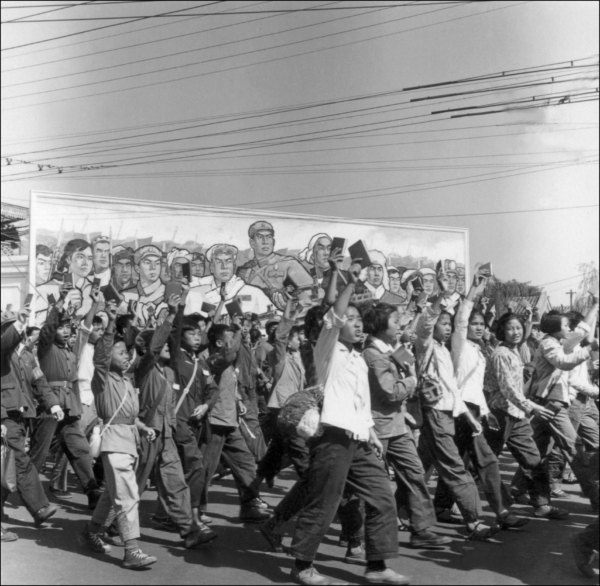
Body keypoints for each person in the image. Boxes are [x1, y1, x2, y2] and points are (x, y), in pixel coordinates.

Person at [289, 261, 409, 586]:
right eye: (351, 320)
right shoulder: (327, 349)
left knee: (383, 496)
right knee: (325, 503)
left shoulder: (356, 356)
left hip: (357, 438)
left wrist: (371, 431)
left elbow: (360, 400)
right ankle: (302, 565)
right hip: (332, 439)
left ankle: (377, 566)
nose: (357, 325)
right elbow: (334, 315)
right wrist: (349, 284)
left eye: (359, 321)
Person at [436, 274, 529, 530]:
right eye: (473, 324)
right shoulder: (459, 345)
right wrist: (471, 295)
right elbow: (462, 320)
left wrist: (486, 412)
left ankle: (441, 505)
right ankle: (500, 512)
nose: (478, 327)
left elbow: (476, 387)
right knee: (485, 461)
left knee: (461, 462)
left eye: (481, 324)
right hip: (458, 411)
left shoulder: (480, 350)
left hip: (475, 410)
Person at [362, 302, 452, 550]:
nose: (400, 323)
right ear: (381, 326)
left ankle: (420, 529)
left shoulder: (395, 348)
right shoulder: (372, 354)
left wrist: (414, 375)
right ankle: (353, 534)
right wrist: (412, 380)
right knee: (364, 486)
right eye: (394, 320)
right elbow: (390, 391)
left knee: (414, 473)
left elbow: (415, 370)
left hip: (399, 425)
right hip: (378, 428)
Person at [414, 287, 498, 540]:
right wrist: (440, 301)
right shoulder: (425, 347)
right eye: (443, 323)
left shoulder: (444, 351)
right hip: (434, 414)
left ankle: (401, 513)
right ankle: (474, 521)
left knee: (415, 470)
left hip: (447, 416)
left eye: (450, 323)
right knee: (456, 469)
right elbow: (425, 326)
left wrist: (471, 417)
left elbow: (452, 389)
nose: (448, 327)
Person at [133, 293, 217, 549]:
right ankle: (101, 525)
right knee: (133, 485)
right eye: (164, 345)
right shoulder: (146, 367)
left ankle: (189, 530)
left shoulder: (168, 371)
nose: (170, 346)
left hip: (166, 434)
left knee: (176, 482)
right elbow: (156, 346)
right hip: (147, 434)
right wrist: (171, 314)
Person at [80, 301, 158, 570]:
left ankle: (91, 531)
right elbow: (101, 355)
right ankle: (131, 551)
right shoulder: (101, 377)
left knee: (112, 495)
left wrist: (141, 426)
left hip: (129, 441)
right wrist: (111, 324)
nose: (127, 356)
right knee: (127, 497)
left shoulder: (126, 379)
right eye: (122, 352)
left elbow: (129, 414)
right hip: (114, 443)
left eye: (128, 353)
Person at [486, 312, 569, 520]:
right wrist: (532, 407)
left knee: (533, 460)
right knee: (483, 463)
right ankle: (450, 501)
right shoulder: (502, 353)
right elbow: (509, 391)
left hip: (517, 414)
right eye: (510, 328)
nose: (516, 332)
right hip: (499, 414)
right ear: (502, 331)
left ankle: (542, 504)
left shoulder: (515, 351)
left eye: (519, 328)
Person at [29, 294, 101, 509]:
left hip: (69, 407)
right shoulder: (46, 348)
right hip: (49, 406)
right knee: (38, 455)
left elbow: (85, 331)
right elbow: (48, 330)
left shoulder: (71, 351)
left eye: (68, 327)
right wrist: (58, 306)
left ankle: (92, 490)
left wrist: (94, 306)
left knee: (80, 449)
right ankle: (22, 492)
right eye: (62, 328)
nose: (66, 331)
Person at [527, 307, 599, 511]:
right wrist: (589, 348)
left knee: (534, 451)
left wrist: (595, 305)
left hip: (554, 403)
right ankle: (595, 498)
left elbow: (582, 331)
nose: (571, 328)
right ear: (554, 328)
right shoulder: (549, 343)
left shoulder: (560, 341)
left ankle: (521, 495)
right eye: (566, 325)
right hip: (551, 404)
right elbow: (564, 363)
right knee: (574, 450)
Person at [200, 322, 269, 524]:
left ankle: (249, 505)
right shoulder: (212, 359)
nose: (236, 343)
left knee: (245, 461)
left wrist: (238, 400)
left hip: (230, 422)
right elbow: (228, 354)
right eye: (231, 338)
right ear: (220, 342)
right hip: (213, 423)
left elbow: (230, 385)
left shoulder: (228, 364)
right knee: (206, 469)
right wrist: (239, 333)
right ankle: (196, 510)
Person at [1, 307, 60, 536]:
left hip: (19, 416)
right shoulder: (3, 350)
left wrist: (53, 403)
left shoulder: (25, 354)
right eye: (8, 329)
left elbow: (40, 380)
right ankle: (39, 508)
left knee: (6, 468)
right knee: (20, 462)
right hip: (5, 416)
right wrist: (17, 324)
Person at [253, 297, 308, 490]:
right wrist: (288, 312)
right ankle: (311, 490)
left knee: (276, 450)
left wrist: (299, 310)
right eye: (296, 337)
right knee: (301, 452)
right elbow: (281, 336)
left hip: (296, 410)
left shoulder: (299, 357)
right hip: (283, 409)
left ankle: (255, 485)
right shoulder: (279, 358)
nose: (300, 340)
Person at [548, 310, 599, 498]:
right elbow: (575, 382)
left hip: (586, 400)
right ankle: (553, 483)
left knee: (593, 441)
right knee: (564, 446)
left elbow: (588, 333)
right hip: (573, 400)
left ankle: (592, 483)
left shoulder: (579, 347)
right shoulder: (568, 347)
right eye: (567, 326)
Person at [236, 221, 313, 311]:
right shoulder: (244, 271)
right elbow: (239, 298)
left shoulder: (289, 264)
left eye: (269, 237)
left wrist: (292, 308)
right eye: (260, 237)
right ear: (252, 243)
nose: (265, 242)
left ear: (273, 241)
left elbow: (313, 296)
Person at [188, 244, 272, 317]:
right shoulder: (195, 294)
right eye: (219, 262)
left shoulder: (254, 293)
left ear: (234, 267)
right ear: (211, 268)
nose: (224, 266)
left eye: (228, 261)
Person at [35, 239, 94, 325]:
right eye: (80, 257)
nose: (86, 263)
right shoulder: (45, 289)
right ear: (69, 259)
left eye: (90, 258)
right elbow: (39, 326)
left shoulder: (92, 290)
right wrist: (64, 303)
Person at [121, 245, 167, 325]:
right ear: (137, 268)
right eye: (148, 263)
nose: (153, 267)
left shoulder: (167, 293)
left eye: (157, 263)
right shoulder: (126, 296)